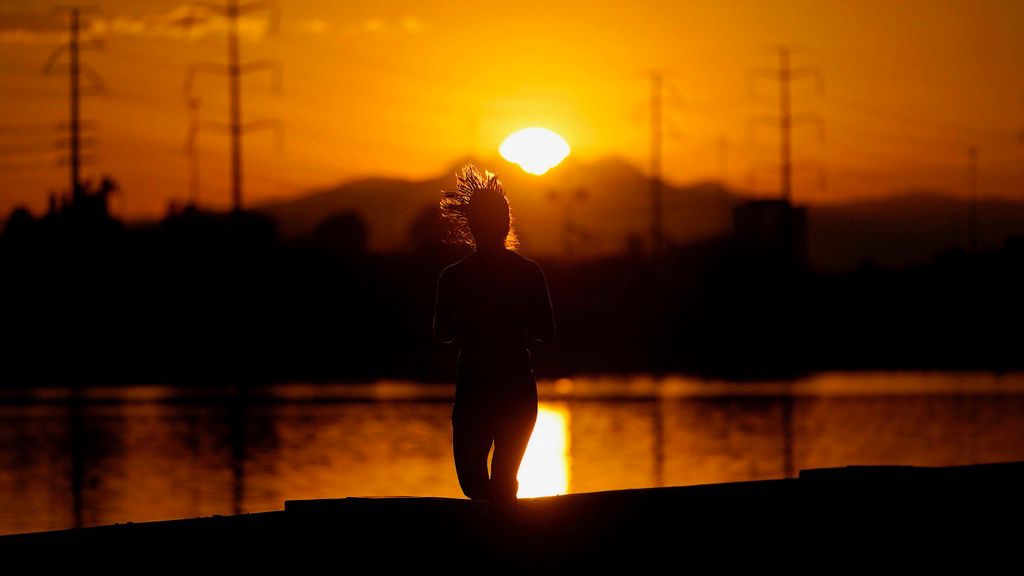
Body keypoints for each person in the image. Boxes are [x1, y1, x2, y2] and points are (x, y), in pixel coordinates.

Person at [433, 165, 555, 506]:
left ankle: (505, 548)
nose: (496, 224)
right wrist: (481, 314)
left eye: (499, 217)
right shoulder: (454, 277)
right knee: (474, 485)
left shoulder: (527, 273)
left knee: (500, 483)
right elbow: (441, 332)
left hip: (509, 387)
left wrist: (506, 310)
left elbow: (546, 330)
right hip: (477, 389)